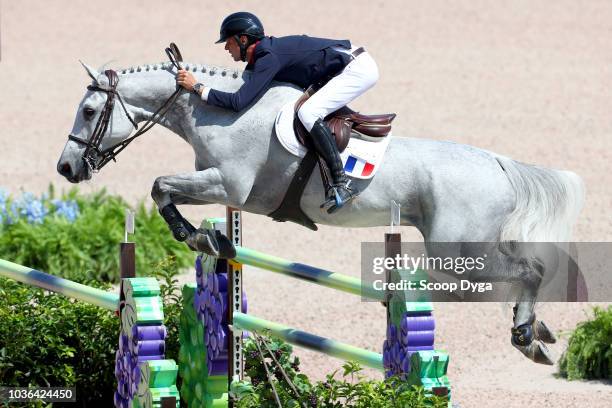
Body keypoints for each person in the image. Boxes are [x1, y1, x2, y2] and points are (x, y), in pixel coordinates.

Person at [176, 12, 379, 213]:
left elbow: (239, 101)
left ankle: (341, 182)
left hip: (357, 69)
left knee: (308, 113)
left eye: (229, 42)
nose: (226, 48)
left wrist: (198, 88)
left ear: (243, 39)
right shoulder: (262, 56)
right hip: (343, 65)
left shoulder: (268, 57)